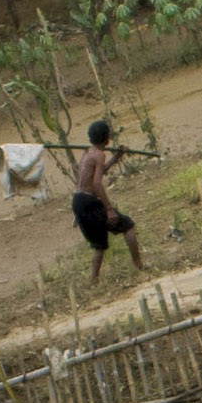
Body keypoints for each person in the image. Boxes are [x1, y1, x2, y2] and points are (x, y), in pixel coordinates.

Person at [70, 118, 140, 281]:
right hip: (89, 201)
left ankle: (94, 279)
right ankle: (139, 265)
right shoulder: (99, 155)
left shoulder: (87, 152)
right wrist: (108, 209)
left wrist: (116, 156)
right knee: (127, 226)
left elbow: (98, 173)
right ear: (106, 138)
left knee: (99, 244)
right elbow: (97, 183)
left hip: (78, 200)